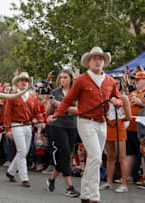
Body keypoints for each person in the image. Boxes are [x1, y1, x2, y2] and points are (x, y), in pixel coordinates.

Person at [48, 47, 122, 203]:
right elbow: (68, 100)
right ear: (88, 62)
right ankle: (94, 197)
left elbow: (118, 97)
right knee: (95, 156)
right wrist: (56, 114)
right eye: (94, 58)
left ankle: (85, 194)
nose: (98, 61)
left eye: (100, 58)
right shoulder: (81, 80)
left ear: (104, 62)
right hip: (86, 121)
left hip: (102, 123)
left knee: (94, 159)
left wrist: (117, 101)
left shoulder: (109, 81)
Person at [3, 72, 45, 187]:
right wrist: (8, 130)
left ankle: (10, 171)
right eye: (22, 80)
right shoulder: (12, 95)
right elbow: (7, 113)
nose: (24, 82)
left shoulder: (32, 96)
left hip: (28, 126)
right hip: (16, 125)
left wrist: (41, 121)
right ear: (17, 82)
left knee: (24, 152)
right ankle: (24, 178)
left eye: (26, 81)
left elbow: (37, 112)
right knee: (22, 151)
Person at [45, 69, 80, 197]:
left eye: (65, 77)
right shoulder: (55, 92)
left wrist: (61, 105)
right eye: (61, 77)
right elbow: (48, 112)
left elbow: (78, 110)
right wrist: (51, 104)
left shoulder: (76, 93)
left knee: (65, 155)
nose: (62, 79)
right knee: (65, 152)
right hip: (57, 125)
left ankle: (51, 179)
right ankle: (69, 186)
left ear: (71, 79)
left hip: (72, 125)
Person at [100, 75, 131, 193]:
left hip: (119, 126)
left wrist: (119, 121)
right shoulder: (106, 98)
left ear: (121, 85)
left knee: (122, 156)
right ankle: (109, 181)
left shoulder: (123, 98)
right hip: (108, 125)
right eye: (113, 84)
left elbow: (128, 116)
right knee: (110, 156)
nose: (115, 86)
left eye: (117, 84)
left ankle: (124, 184)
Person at [126, 71, 145, 184]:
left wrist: (141, 103)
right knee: (130, 152)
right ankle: (127, 176)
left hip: (143, 129)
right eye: (135, 80)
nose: (136, 81)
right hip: (131, 128)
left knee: (144, 152)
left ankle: (143, 177)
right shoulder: (132, 93)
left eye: (139, 79)